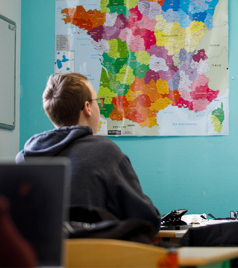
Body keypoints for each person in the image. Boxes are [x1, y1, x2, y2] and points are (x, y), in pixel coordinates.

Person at [16, 73, 161, 234]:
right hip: (93, 256)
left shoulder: (24, 158)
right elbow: (147, 220)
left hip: (40, 257)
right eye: (96, 101)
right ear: (87, 108)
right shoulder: (105, 152)